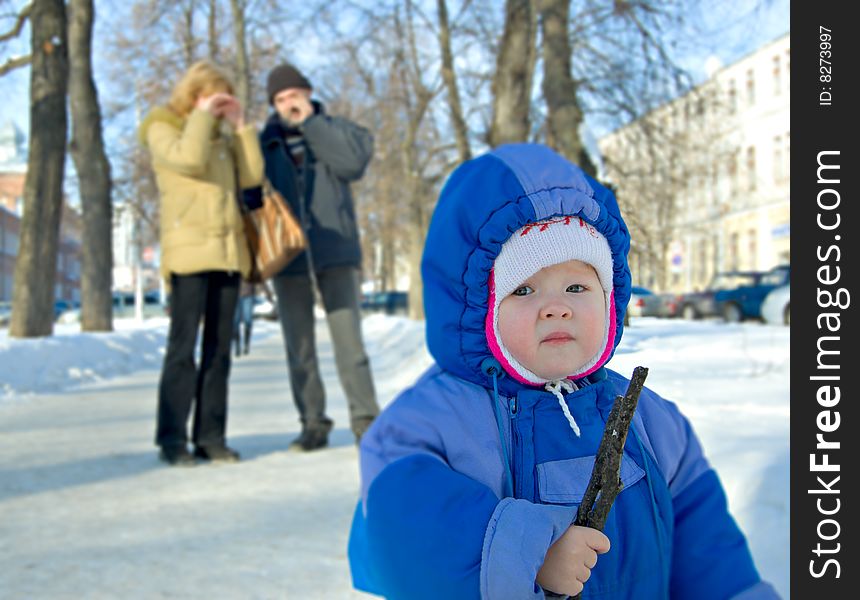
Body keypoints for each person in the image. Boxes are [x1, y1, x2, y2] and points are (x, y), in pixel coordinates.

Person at [347, 144, 779, 599]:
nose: (556, 309)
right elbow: (401, 530)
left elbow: (710, 552)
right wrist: (530, 554)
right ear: (478, 309)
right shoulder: (433, 422)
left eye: (576, 286)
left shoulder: (653, 423)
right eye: (524, 289)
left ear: (609, 297)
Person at [139, 60, 264, 466]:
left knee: (219, 351)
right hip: (189, 254)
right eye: (212, 96)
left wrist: (242, 126)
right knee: (182, 350)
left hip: (228, 255)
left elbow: (252, 178)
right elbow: (189, 160)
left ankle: (211, 436)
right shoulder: (164, 128)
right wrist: (202, 116)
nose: (218, 106)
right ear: (194, 96)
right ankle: (172, 439)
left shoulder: (224, 139)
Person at [258, 63, 379, 451]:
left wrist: (311, 124)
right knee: (300, 347)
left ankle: (365, 421)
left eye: (294, 95)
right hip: (287, 254)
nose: (288, 104)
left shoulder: (338, 130)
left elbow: (352, 164)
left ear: (308, 94)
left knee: (350, 345)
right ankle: (313, 423)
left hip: (336, 250)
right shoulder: (265, 143)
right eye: (280, 99)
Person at [233, 280, 256, 357]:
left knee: (248, 320)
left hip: (248, 295)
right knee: (235, 322)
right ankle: (237, 345)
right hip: (235, 294)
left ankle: (246, 344)